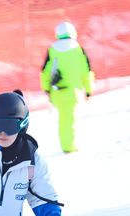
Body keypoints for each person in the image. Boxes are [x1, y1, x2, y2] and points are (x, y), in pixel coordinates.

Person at [40, 21, 93, 154]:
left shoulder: (52, 49)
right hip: (73, 92)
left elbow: (44, 71)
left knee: (64, 117)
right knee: (69, 119)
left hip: (56, 91)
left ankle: (68, 143)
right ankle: (69, 147)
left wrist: (46, 89)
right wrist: (88, 89)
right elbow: (86, 71)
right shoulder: (78, 49)